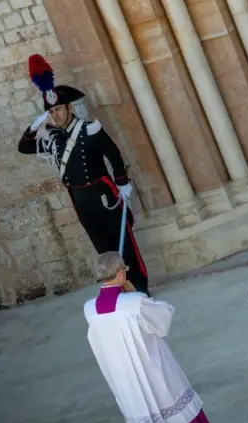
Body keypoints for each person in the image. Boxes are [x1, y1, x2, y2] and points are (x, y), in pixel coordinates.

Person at [85, 252, 229, 423]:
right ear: (121, 273)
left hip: (126, 380)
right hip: (154, 372)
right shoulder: (135, 303)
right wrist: (133, 292)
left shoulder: (90, 309)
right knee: (175, 413)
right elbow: (164, 319)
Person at [18, 54, 149, 293]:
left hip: (104, 195)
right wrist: (34, 126)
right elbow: (24, 147)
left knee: (125, 245)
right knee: (103, 248)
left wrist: (122, 182)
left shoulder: (89, 128)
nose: (55, 115)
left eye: (59, 109)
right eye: (51, 111)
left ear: (68, 107)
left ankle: (140, 287)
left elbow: (113, 154)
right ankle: (118, 290)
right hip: (80, 200)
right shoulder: (51, 137)